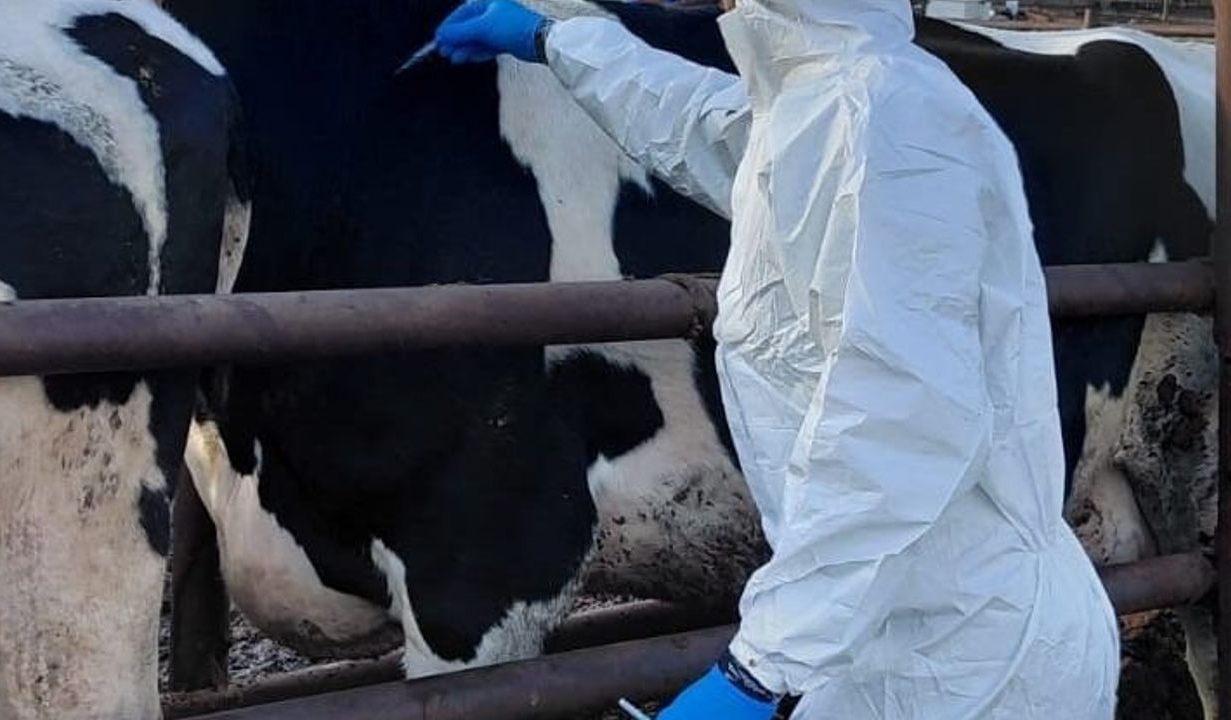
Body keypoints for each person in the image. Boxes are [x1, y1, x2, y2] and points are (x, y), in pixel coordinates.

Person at [434, 1, 1121, 717]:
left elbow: (900, 433)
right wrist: (557, 41)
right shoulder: (824, 102)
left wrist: (758, 669)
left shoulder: (885, 133)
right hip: (903, 640)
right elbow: (699, 124)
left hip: (973, 665)